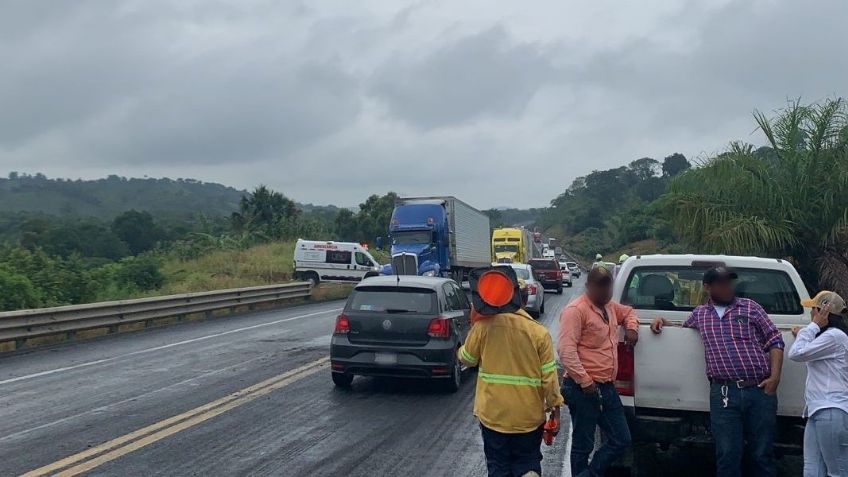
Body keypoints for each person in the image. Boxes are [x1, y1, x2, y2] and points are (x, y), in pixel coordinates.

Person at [651, 266, 785, 477]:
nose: (727, 287)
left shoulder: (751, 307)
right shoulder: (700, 314)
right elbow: (683, 330)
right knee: (727, 454)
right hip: (723, 393)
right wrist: (663, 322)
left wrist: (775, 378)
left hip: (759, 390)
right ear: (707, 287)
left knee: (762, 455)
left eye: (729, 282)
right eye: (721, 283)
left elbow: (775, 340)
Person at [459, 266, 564, 477]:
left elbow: (467, 359)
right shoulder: (539, 333)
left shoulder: (484, 327)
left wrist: (468, 333)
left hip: (494, 417)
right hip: (528, 419)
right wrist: (555, 409)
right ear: (522, 300)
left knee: (498, 466)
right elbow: (550, 379)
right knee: (527, 462)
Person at [558, 266, 638, 477]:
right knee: (582, 445)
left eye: (608, 285)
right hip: (583, 388)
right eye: (600, 286)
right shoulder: (576, 310)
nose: (605, 291)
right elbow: (566, 351)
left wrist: (631, 327)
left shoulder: (610, 308)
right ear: (588, 286)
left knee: (622, 438)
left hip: (606, 386)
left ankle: (589, 474)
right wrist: (585, 381)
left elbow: (629, 312)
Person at [789, 290, 848, 477]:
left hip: (831, 408)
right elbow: (808, 348)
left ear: (823, 313)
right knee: (812, 470)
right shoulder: (829, 337)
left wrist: (812, 327)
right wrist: (807, 332)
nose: (811, 315)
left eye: (813, 310)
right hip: (818, 411)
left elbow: (796, 354)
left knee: (837, 472)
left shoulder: (835, 337)